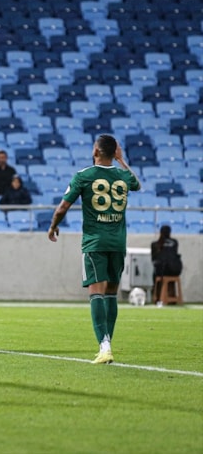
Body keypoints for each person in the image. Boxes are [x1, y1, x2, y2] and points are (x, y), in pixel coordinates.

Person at [47, 134, 141, 365]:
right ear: (114, 152)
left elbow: (62, 208)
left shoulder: (84, 175)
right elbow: (137, 185)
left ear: (96, 151)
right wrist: (121, 160)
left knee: (96, 292)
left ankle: (104, 346)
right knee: (111, 293)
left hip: (95, 243)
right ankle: (107, 343)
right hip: (118, 243)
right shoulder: (123, 176)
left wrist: (53, 226)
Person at [151, 225, 182, 306]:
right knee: (167, 271)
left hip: (162, 271)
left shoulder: (155, 244)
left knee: (155, 273)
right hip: (175, 270)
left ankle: (158, 296)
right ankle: (171, 295)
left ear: (160, 232)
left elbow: (153, 259)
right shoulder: (174, 242)